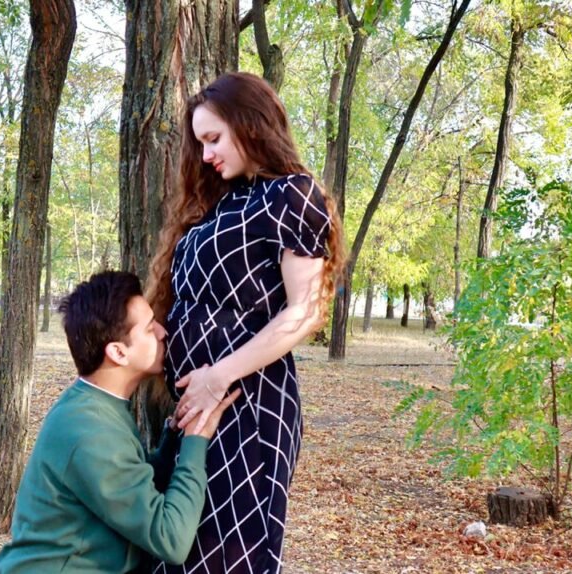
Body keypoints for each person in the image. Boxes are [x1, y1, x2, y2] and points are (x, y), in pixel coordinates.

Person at [146, 72, 345, 573]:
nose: (206, 154)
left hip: (249, 405)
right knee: (178, 551)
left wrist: (217, 377)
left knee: (229, 558)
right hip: (197, 409)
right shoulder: (223, 203)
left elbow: (306, 311)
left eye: (213, 138)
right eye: (200, 143)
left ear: (249, 123)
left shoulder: (292, 196)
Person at [0, 271, 241, 574]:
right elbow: (171, 540)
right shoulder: (91, 431)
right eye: (150, 328)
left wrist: (173, 437)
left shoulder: (94, 406)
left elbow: (130, 485)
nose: (163, 332)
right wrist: (196, 438)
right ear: (118, 352)